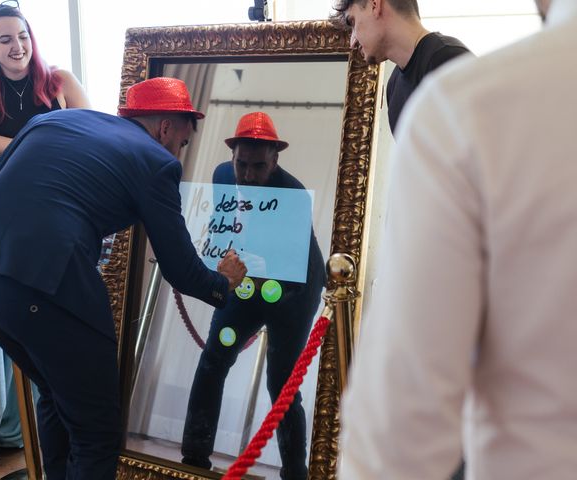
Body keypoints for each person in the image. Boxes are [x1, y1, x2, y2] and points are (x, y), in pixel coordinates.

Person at [0, 77, 247, 480]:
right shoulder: (157, 163)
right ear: (166, 127)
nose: (181, 153)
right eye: (184, 142)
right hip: (43, 284)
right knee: (96, 433)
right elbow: (179, 267)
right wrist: (222, 283)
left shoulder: (54, 122)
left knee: (55, 394)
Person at [339, 0, 577, 478]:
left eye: (352, 22)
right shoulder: (398, 86)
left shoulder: (454, 79)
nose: (351, 39)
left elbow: (402, 424)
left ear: (376, 6)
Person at [181, 112, 326, 480]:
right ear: (232, 157)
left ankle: (296, 473)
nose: (247, 175)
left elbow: (289, 266)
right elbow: (220, 227)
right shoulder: (221, 176)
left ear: (275, 160)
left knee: (282, 385)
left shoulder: (293, 194)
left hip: (294, 289)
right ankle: (193, 460)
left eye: (258, 167)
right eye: (241, 164)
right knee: (213, 360)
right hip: (246, 278)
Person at [0, 0, 89, 157]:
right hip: (19, 178)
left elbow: (90, 132)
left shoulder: (63, 80)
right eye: (6, 40)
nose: (18, 47)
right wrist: (34, 145)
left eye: (23, 37)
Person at [333, 0, 471, 134]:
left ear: (375, 5)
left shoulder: (448, 60)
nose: (353, 42)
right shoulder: (393, 87)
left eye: (352, 21)